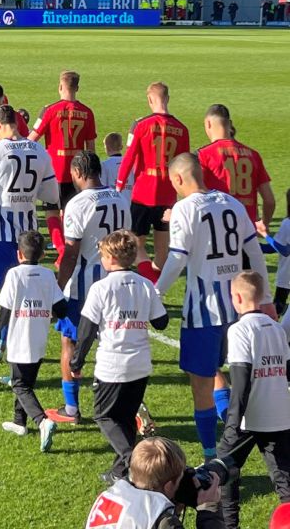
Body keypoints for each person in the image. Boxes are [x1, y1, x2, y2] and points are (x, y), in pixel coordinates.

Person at [155, 153, 275, 461]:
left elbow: (177, 258)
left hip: (202, 311)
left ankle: (212, 454)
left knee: (201, 383)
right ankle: (242, 434)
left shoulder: (184, 209)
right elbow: (255, 255)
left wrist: (155, 294)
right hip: (238, 308)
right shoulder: (232, 203)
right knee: (234, 375)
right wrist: (266, 299)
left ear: (179, 179)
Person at [70, 230, 168, 482]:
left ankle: (135, 461)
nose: (101, 260)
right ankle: (119, 473)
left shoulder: (101, 288)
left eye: (102, 255)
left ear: (111, 258)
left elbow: (87, 329)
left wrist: (76, 361)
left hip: (112, 365)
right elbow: (162, 322)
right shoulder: (145, 285)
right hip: (140, 364)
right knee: (124, 418)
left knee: (103, 415)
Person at [45, 152, 131, 425]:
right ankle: (125, 404)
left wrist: (57, 288)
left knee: (69, 341)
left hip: (84, 286)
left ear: (79, 173)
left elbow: (71, 253)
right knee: (113, 342)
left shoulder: (78, 203)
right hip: (116, 280)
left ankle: (71, 408)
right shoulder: (120, 198)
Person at [218, 271, 290, 529]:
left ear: (236, 298)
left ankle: (229, 525)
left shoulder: (239, 331)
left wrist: (232, 426)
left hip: (250, 418)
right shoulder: (277, 328)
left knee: (226, 471)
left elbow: (241, 382)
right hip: (280, 415)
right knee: (285, 481)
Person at [0, 104, 59, 294]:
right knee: (30, 291)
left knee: (7, 293)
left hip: (2, 233)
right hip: (29, 231)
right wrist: (30, 191)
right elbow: (51, 195)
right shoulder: (39, 151)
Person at [0, 230, 67, 452]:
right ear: (43, 254)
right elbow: (61, 308)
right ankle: (19, 422)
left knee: (19, 384)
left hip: (18, 338)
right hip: (39, 337)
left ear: (18, 254)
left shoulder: (14, 275)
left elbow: (4, 310)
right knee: (26, 381)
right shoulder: (47, 276)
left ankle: (42, 421)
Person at [116, 82, 189, 275]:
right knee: (162, 251)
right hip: (168, 196)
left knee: (135, 245)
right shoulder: (182, 129)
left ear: (150, 99)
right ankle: (155, 286)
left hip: (143, 194)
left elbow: (129, 157)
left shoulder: (142, 125)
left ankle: (147, 284)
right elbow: (184, 165)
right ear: (168, 98)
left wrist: (119, 185)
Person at [29, 70, 96, 267]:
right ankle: (72, 247)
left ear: (60, 87)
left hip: (54, 171)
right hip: (78, 172)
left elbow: (32, 139)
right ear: (77, 88)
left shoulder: (49, 110)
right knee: (70, 212)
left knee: (51, 212)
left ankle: (61, 250)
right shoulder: (87, 112)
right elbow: (90, 149)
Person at [86, 437, 224, 528]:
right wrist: (209, 509)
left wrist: (174, 507)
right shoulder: (160, 519)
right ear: (169, 486)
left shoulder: (112, 495)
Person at [198, 103, 274, 235]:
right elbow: (269, 200)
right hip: (247, 232)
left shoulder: (204, 155)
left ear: (208, 124)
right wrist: (264, 223)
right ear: (230, 124)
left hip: (217, 232)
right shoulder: (253, 155)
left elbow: (196, 195)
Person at [102, 132, 134, 205]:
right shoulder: (131, 164)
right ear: (121, 146)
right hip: (130, 204)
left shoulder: (104, 165)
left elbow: (102, 186)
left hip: (113, 205)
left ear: (107, 147)